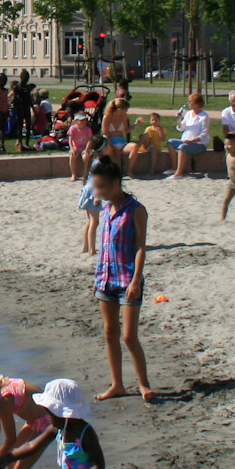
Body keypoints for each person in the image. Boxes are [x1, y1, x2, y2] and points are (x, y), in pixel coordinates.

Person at [88, 157, 153, 402]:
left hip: (127, 280)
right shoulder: (106, 210)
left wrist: (136, 281)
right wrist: (98, 277)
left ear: (116, 183)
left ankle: (144, 384)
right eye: (96, 187)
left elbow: (141, 247)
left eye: (102, 187)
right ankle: (117, 385)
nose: (98, 192)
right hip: (105, 280)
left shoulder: (136, 209)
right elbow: (105, 248)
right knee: (110, 332)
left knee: (129, 336)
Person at [169, 93, 209, 178]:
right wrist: (179, 119)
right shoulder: (188, 114)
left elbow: (204, 134)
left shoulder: (204, 116)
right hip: (186, 141)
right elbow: (181, 128)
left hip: (198, 144)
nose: (189, 103)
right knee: (170, 142)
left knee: (182, 147)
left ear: (197, 103)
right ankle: (174, 167)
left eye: (191, 102)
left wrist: (193, 141)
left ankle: (178, 173)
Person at [78, 141, 107, 255]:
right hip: (93, 191)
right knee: (94, 222)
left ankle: (86, 247)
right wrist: (97, 196)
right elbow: (98, 180)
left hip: (87, 190)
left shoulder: (94, 160)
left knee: (90, 221)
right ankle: (91, 249)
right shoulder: (100, 163)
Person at [10, 70, 37, 152]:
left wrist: (33, 108)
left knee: (28, 126)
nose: (26, 80)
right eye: (25, 78)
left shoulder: (27, 87)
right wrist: (14, 109)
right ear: (21, 77)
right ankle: (20, 142)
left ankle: (27, 143)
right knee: (20, 125)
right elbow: (15, 98)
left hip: (27, 106)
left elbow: (29, 99)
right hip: (20, 107)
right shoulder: (17, 87)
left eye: (27, 78)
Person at [66, 113, 95, 180]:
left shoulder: (88, 129)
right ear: (76, 121)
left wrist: (86, 150)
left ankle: (85, 173)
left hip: (84, 148)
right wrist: (72, 149)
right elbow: (70, 140)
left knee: (86, 157)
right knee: (72, 157)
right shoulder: (73, 128)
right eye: (81, 120)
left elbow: (90, 140)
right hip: (76, 147)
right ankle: (74, 174)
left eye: (84, 120)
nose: (83, 122)